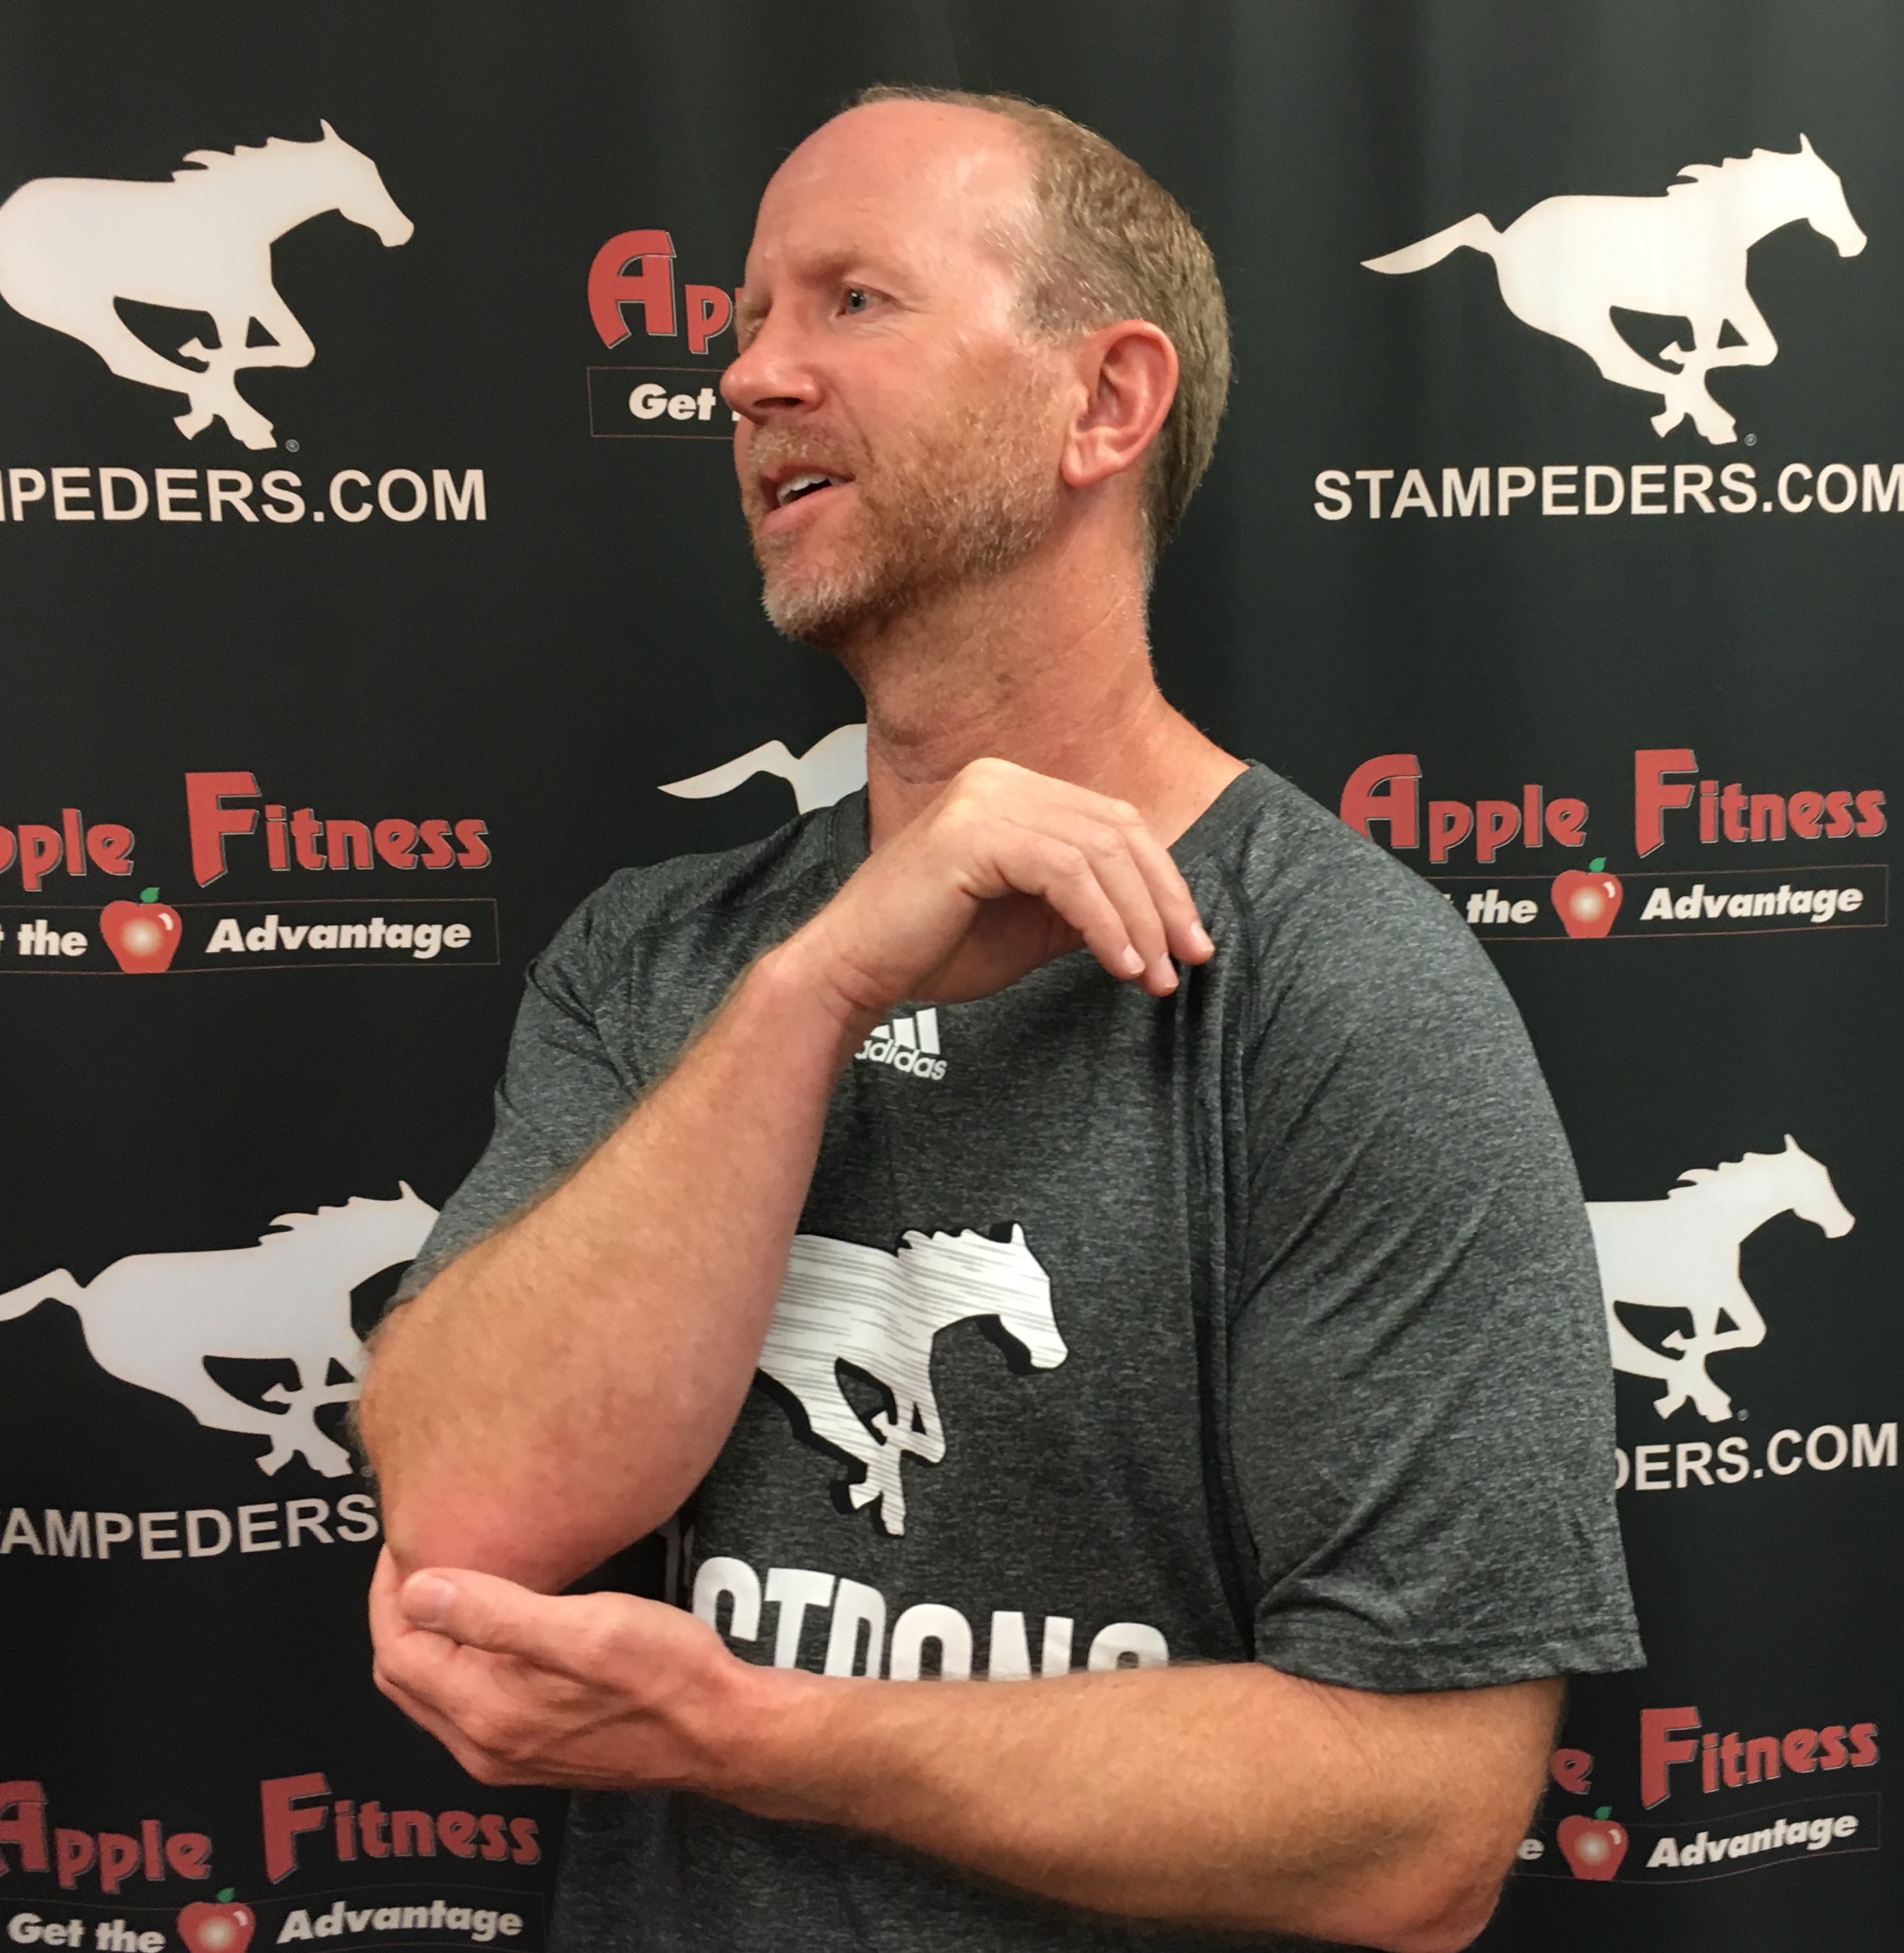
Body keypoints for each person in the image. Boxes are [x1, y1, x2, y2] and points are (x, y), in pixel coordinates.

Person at [358, 87, 1641, 1953]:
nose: (748, 376)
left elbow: (1422, 1828)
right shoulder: (657, 958)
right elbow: (467, 1505)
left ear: (1103, 403)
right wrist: (815, 987)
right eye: (744, 323)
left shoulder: (1347, 989)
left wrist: (758, 1735)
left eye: (853, 301)